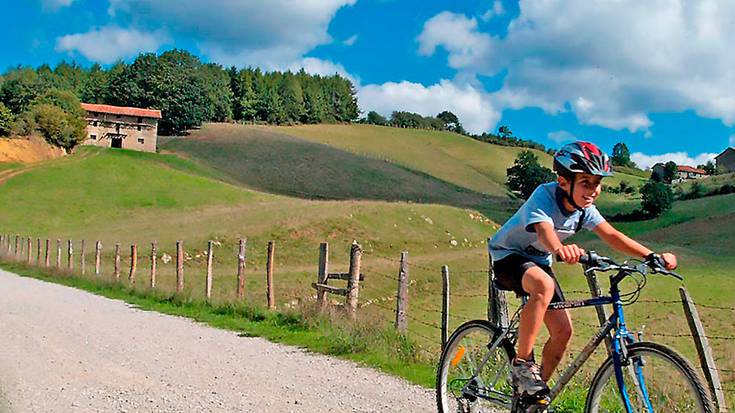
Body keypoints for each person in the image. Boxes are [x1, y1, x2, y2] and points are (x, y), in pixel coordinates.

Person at [488, 141, 677, 400]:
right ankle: (522, 365)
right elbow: (544, 230)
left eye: (597, 183)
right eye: (586, 182)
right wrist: (558, 249)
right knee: (544, 285)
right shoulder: (545, 195)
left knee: (564, 331)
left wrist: (651, 256)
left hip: (539, 262)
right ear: (564, 182)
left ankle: (532, 395)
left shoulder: (583, 209)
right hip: (508, 256)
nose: (594, 190)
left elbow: (611, 234)